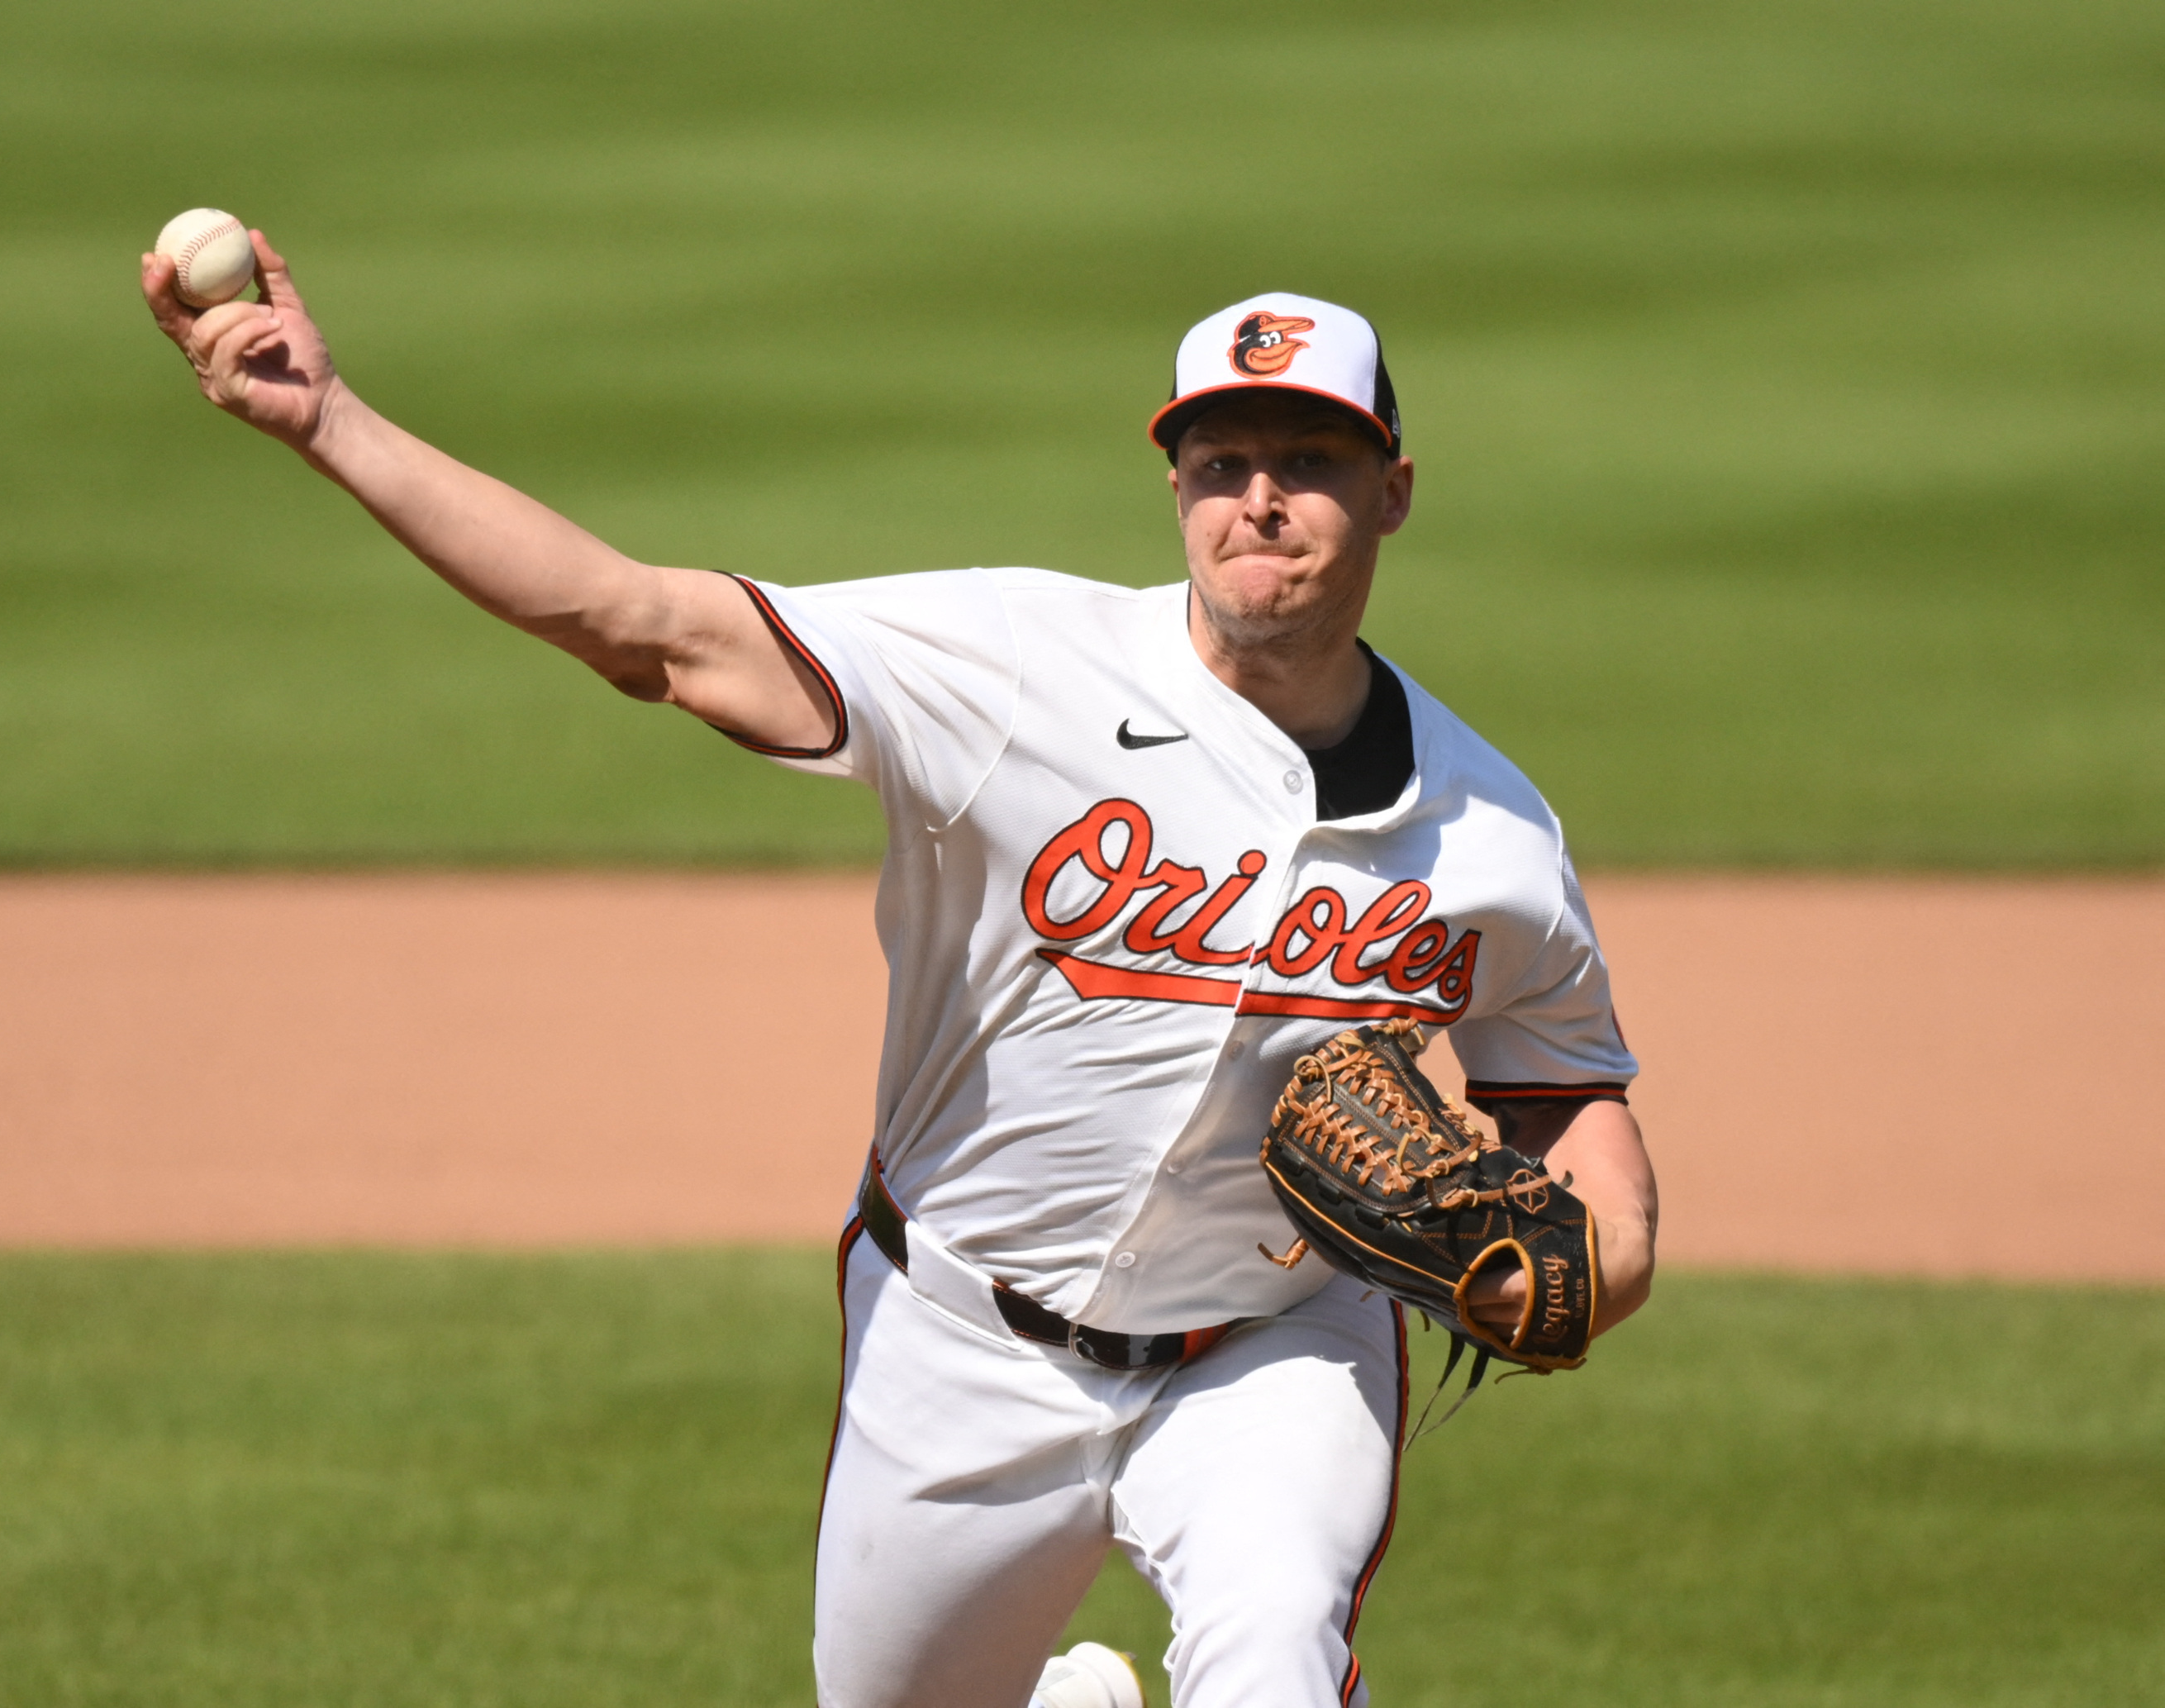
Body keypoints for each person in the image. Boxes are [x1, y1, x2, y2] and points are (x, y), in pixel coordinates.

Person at [142, 243, 1659, 1708]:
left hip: (1271, 1351)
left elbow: (1566, 1087)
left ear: (1392, 488)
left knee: (1271, 1654)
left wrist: (1598, 1261)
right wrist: (330, 422)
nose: (1260, 499)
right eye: (1222, 461)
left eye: (1310, 460)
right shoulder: (1016, 668)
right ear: (1177, 489)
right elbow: (642, 625)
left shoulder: (1495, 833)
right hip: (959, 1334)